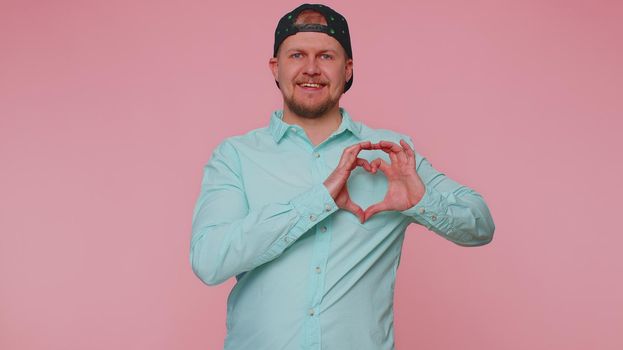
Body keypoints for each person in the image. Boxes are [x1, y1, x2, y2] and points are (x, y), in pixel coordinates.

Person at [190, 3, 495, 349]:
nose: (310, 69)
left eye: (326, 57)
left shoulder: (392, 155)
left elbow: (480, 225)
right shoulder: (236, 156)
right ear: (275, 67)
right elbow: (209, 261)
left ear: (348, 69)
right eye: (296, 56)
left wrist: (422, 201)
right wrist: (318, 200)